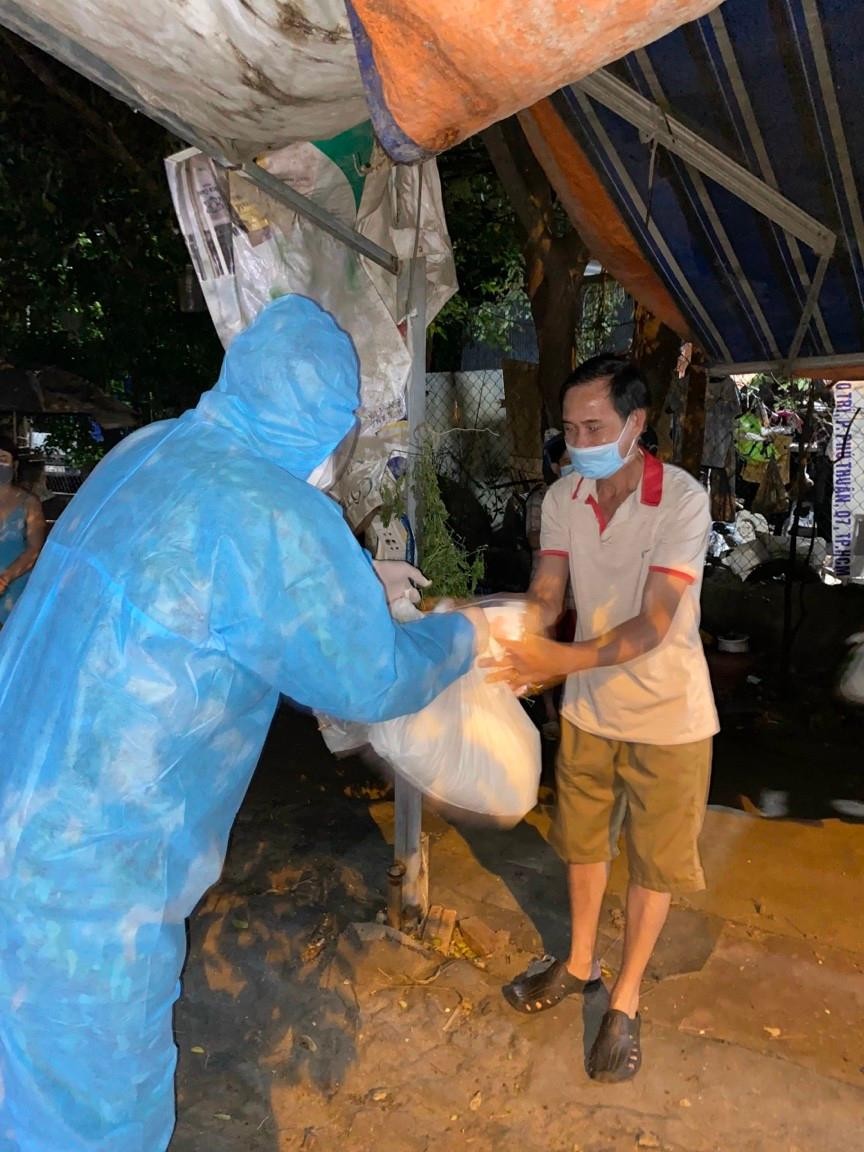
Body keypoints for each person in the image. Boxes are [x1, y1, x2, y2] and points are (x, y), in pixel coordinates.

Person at [0, 295, 486, 1152]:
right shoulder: (272, 514)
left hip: (18, 806)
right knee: (88, 1119)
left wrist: (354, 592)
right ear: (330, 427)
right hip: (83, 891)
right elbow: (370, 678)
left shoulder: (147, 451)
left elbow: (204, 605)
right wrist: (462, 635)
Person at [487, 354, 718, 1083]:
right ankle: (581, 962)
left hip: (670, 716)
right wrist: (505, 630)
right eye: (569, 425)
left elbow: (653, 625)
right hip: (589, 712)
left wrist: (557, 664)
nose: (577, 437)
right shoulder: (564, 498)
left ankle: (626, 996)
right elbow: (549, 590)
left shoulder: (681, 501)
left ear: (636, 424)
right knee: (584, 844)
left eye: (594, 424)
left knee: (653, 862)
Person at [524, 432, 575, 740]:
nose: (573, 467)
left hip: (578, 591)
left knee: (576, 648)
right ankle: (550, 714)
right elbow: (533, 538)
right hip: (548, 587)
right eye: (567, 462)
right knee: (547, 650)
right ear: (554, 466)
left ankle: (573, 712)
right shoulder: (541, 499)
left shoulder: (591, 496)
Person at [0, 437, 46, 627]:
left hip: (15, 590)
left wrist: (5, 579)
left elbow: (34, 549)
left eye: (3, 458)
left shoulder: (29, 503)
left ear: (14, 465)